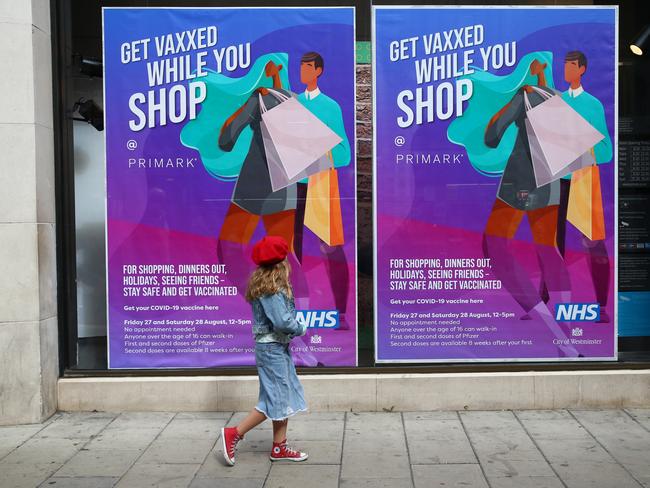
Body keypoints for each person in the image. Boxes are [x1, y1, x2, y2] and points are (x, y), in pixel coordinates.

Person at [221, 236, 309, 466]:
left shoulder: (265, 285)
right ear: (282, 262)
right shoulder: (273, 289)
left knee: (279, 398)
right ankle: (234, 433)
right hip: (272, 350)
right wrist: (300, 328)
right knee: (275, 400)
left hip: (273, 348)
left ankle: (279, 447)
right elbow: (282, 322)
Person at [540, 51, 612, 322]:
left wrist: (579, 142)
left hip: (584, 182)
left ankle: (601, 307)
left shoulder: (592, 105)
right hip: (557, 179)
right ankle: (545, 298)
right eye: (565, 65)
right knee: (549, 241)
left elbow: (606, 151)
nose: (567, 70)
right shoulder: (557, 101)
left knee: (593, 242)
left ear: (581, 69)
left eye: (571, 66)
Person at [294, 51, 352, 328]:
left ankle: (340, 313)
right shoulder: (291, 104)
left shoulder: (331, 107)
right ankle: (290, 312)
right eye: (301, 68)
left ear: (318, 71)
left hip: (321, 183)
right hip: (294, 185)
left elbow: (344, 154)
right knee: (291, 250)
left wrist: (314, 147)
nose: (303, 72)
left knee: (330, 247)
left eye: (308, 68)